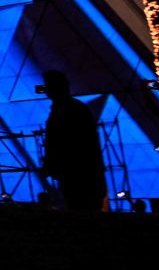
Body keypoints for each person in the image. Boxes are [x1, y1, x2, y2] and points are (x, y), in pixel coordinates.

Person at [39, 70, 106, 215]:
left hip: (78, 174)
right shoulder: (74, 108)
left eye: (47, 86)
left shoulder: (65, 110)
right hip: (82, 173)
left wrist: (50, 164)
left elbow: (60, 142)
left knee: (80, 209)